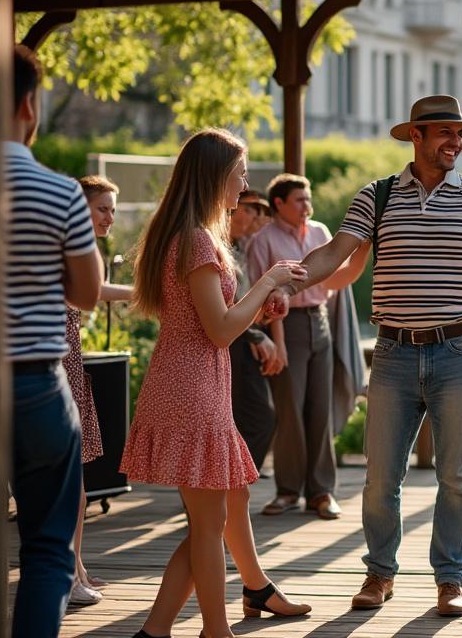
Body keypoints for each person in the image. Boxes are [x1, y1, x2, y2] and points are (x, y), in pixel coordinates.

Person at [266, 95, 462, 618]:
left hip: (458, 350)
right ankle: (380, 574)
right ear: (415, 136)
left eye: (460, 135)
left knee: (455, 476)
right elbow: (334, 253)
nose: (456, 143)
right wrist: (288, 280)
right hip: (394, 354)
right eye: (445, 133)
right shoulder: (374, 197)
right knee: (380, 478)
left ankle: (450, 579)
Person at [120, 129, 312, 638]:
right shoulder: (197, 239)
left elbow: (218, 317)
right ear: (215, 177)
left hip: (193, 380)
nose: (245, 185)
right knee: (207, 524)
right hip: (192, 387)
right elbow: (221, 329)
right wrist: (268, 282)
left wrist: (258, 298)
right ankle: (215, 631)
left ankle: (158, 630)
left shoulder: (188, 233)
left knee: (223, 508)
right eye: (239, 175)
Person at [3, 45, 103, 638]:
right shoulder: (57, 191)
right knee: (46, 547)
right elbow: (87, 293)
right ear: (28, 104)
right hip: (36, 385)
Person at [247, 173, 363, 519]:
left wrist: (363, 250)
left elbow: (338, 279)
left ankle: (321, 492)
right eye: (299, 199)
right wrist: (278, 344)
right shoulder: (263, 240)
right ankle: (287, 491)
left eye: (308, 198)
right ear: (278, 204)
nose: (307, 205)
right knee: (290, 411)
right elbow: (265, 297)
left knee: (320, 409)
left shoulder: (321, 233)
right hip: (287, 326)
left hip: (319, 320)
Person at [60, 175, 136, 607]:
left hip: (69, 352)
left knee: (75, 476)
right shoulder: (74, 245)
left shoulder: (70, 242)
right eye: (102, 208)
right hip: (61, 355)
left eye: (112, 208)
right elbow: (88, 297)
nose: (110, 216)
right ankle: (68, 575)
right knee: (71, 476)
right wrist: (142, 294)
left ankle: (78, 568)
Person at [229, 188, 282, 470]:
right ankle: (226, 490)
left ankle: (234, 488)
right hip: (229, 339)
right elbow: (225, 303)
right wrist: (255, 334)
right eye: (250, 209)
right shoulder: (214, 245)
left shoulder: (243, 245)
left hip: (246, 335)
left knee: (260, 418)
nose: (256, 217)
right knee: (257, 417)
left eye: (262, 212)